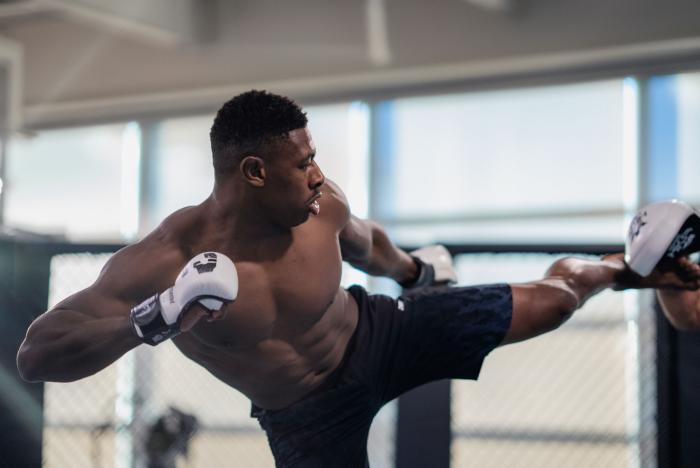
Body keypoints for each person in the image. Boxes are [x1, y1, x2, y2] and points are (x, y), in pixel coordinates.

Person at [16, 90, 700, 467]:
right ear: (253, 171)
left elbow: (364, 240)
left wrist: (414, 270)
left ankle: (629, 264)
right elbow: (38, 356)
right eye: (302, 162)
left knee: (549, 305)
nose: (318, 174)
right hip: (307, 415)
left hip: (379, 331)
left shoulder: (322, 203)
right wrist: (158, 316)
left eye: (316, 157)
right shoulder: (162, 262)